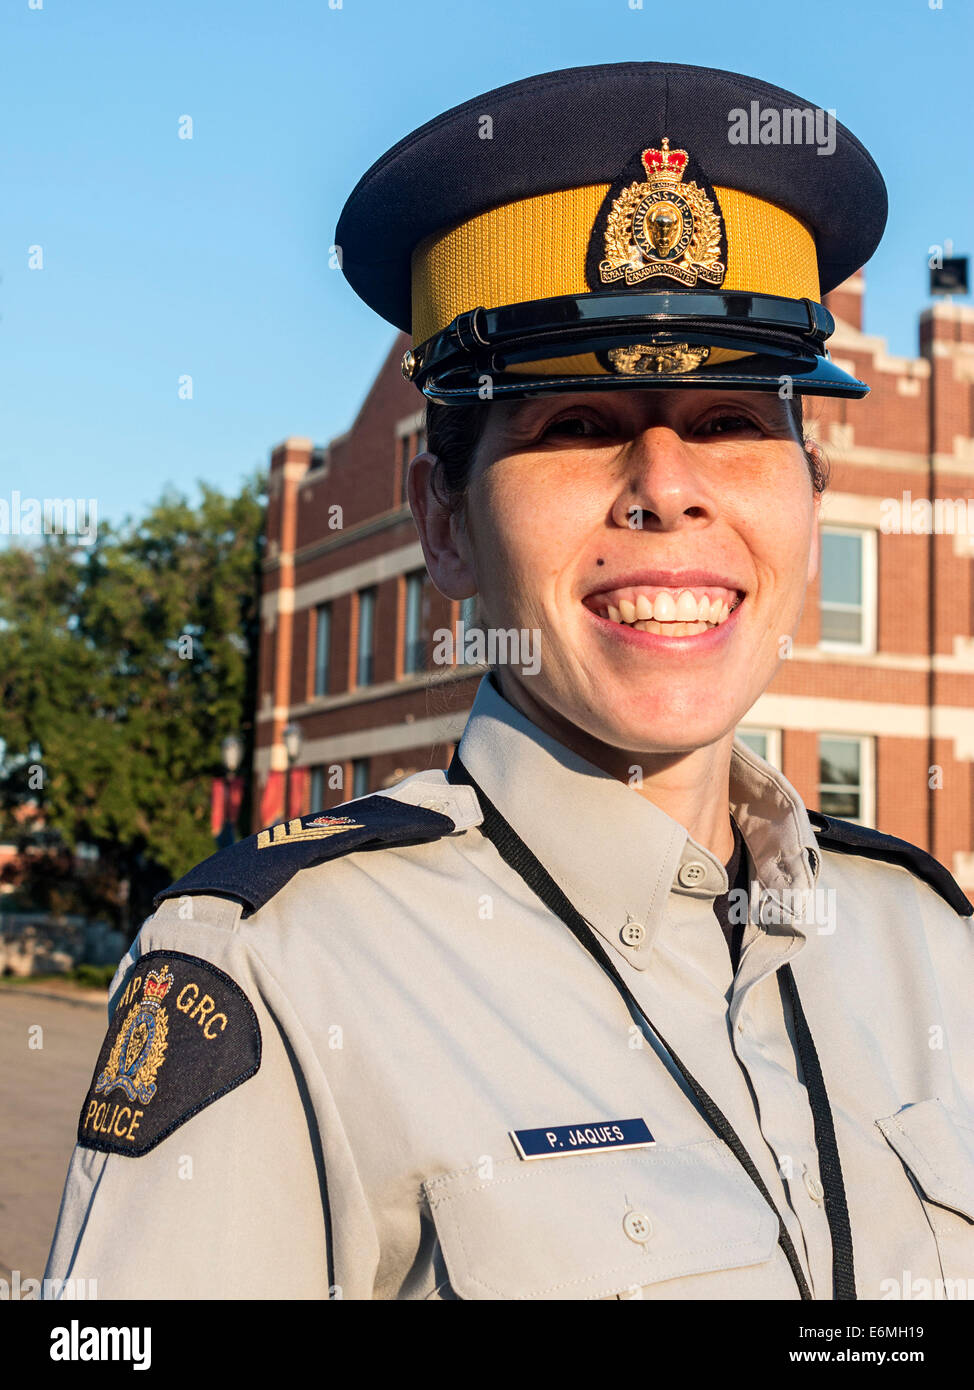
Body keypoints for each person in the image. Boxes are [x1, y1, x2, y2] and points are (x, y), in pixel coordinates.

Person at [44, 61, 974, 1302]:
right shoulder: (279, 972)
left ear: (814, 497)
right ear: (444, 522)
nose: (664, 483)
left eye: (732, 420)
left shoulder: (924, 943)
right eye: (577, 425)